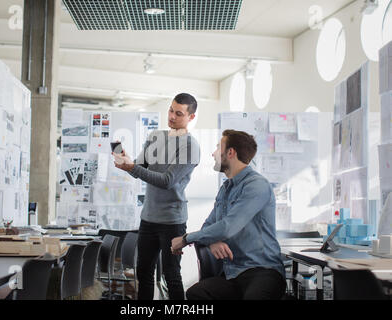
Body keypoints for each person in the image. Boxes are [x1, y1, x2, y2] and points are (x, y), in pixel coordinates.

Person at [171, 130, 286, 300]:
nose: (213, 153)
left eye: (218, 148)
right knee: (196, 293)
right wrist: (211, 241)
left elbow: (228, 227)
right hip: (233, 274)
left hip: (263, 271)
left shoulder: (257, 185)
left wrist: (186, 238)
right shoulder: (226, 188)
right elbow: (208, 225)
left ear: (230, 153)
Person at [113, 93, 200, 300]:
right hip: (149, 218)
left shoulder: (190, 146)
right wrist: (127, 162)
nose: (171, 116)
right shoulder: (155, 137)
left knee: (171, 275)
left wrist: (132, 167)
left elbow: (167, 181)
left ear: (191, 117)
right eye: (171, 110)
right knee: (143, 273)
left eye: (179, 113)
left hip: (172, 220)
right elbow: (140, 167)